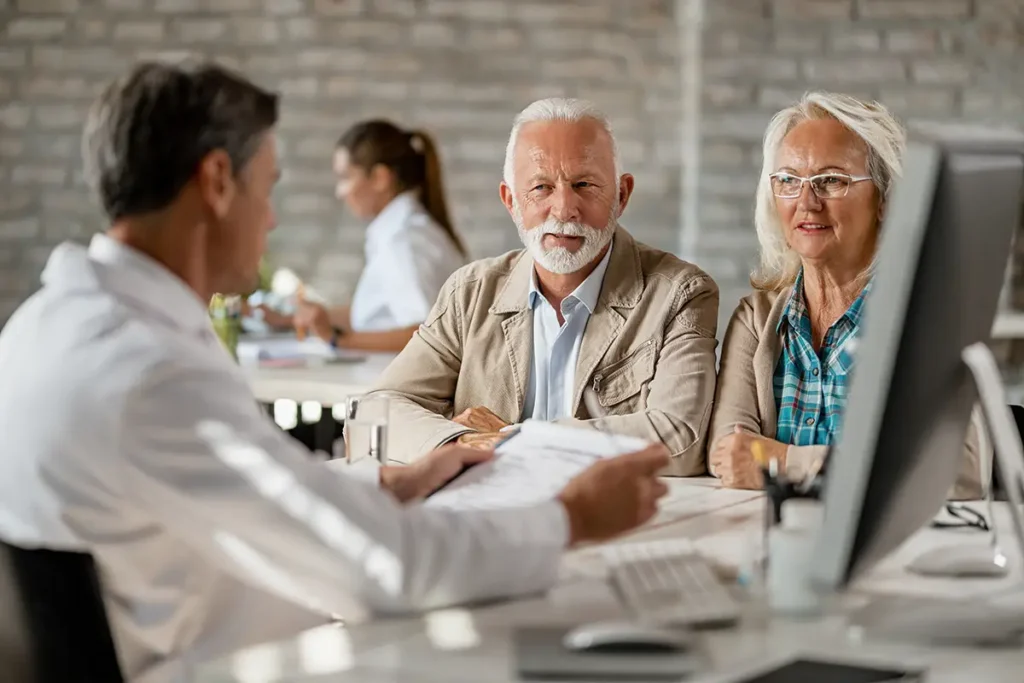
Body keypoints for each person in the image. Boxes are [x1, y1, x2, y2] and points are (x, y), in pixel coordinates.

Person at [0, 62, 671, 682]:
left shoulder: (44, 326)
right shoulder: (153, 371)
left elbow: (254, 485)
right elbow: (390, 564)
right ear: (216, 181)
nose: (271, 218)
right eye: (269, 188)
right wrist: (568, 517)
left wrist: (390, 481)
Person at [366, 98, 720, 475]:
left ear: (622, 195)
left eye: (584, 184)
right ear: (510, 201)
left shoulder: (680, 293)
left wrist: (519, 440)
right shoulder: (469, 293)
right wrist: (461, 441)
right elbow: (377, 409)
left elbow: (681, 438)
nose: (565, 207)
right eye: (541, 187)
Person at [707, 91, 982, 499]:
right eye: (788, 181)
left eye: (831, 180)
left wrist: (788, 463)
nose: (806, 202)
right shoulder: (756, 319)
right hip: (776, 543)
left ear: (887, 200)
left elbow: (963, 470)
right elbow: (729, 457)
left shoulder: (928, 317)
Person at [262, 120, 467, 353]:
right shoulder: (398, 230)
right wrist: (288, 319)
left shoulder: (403, 240)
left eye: (345, 177)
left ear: (380, 178)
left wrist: (338, 339)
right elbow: (374, 316)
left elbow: (424, 333)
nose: (340, 192)